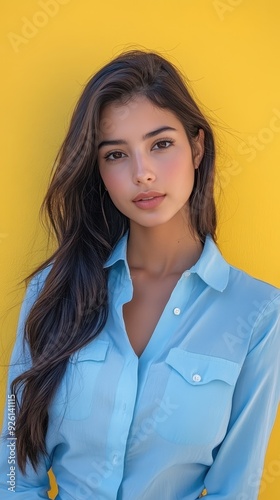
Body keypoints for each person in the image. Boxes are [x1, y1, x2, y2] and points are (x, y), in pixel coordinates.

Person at [0, 50, 279, 500]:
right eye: (116, 154)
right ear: (100, 171)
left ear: (197, 146)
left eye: (161, 144)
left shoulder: (258, 314)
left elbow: (235, 489)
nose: (142, 173)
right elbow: (12, 476)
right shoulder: (50, 292)